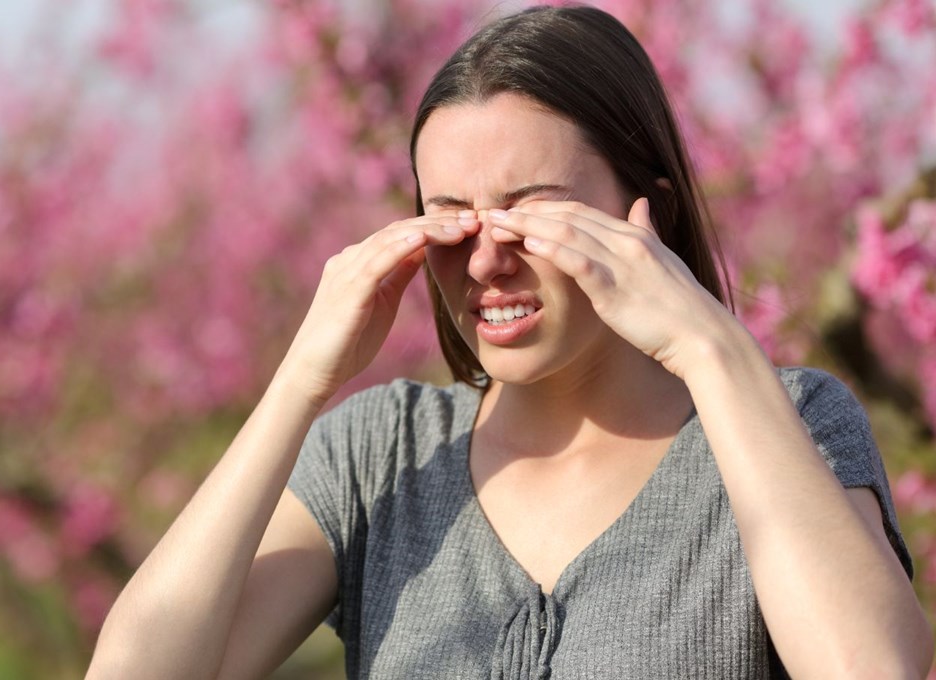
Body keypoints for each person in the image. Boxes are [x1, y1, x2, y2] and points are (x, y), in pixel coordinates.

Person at [87, 5, 933, 679]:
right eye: (452, 219)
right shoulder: (379, 457)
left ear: (649, 214)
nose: (487, 260)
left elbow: (873, 668)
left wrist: (710, 351)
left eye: (533, 212)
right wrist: (301, 381)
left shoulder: (790, 424)